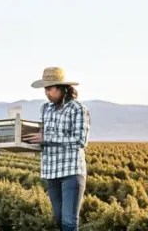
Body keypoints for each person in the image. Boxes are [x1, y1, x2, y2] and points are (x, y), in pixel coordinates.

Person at [23, 67, 90, 231]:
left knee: (68, 221)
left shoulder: (78, 109)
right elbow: (41, 136)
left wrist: (47, 138)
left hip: (71, 171)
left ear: (61, 88)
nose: (47, 92)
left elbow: (80, 140)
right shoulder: (46, 109)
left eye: (50, 88)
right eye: (45, 89)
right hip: (51, 172)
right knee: (59, 219)